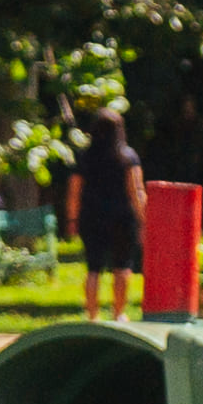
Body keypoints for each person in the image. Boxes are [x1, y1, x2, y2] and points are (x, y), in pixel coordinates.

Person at [67, 104, 150, 319]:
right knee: (122, 267)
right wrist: (144, 219)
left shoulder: (84, 157)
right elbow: (136, 190)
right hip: (122, 218)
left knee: (93, 268)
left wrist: (72, 219)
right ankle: (118, 313)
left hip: (91, 217)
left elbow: (74, 190)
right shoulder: (128, 157)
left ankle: (92, 315)